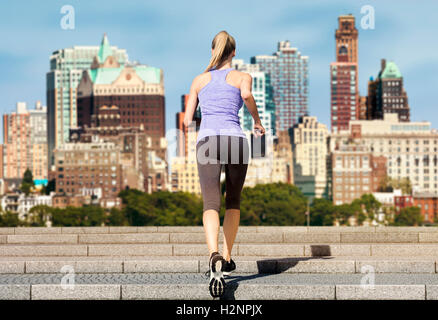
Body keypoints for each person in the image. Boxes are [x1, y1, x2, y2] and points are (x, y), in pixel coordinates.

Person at [184, 30, 265, 298]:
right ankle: (227, 257)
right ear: (233, 52)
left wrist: (199, 127)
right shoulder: (243, 77)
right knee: (233, 201)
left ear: (213, 52)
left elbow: (186, 122)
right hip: (235, 140)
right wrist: (257, 120)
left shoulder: (199, 80)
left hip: (207, 141)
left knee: (210, 203)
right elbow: (246, 96)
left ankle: (213, 254)